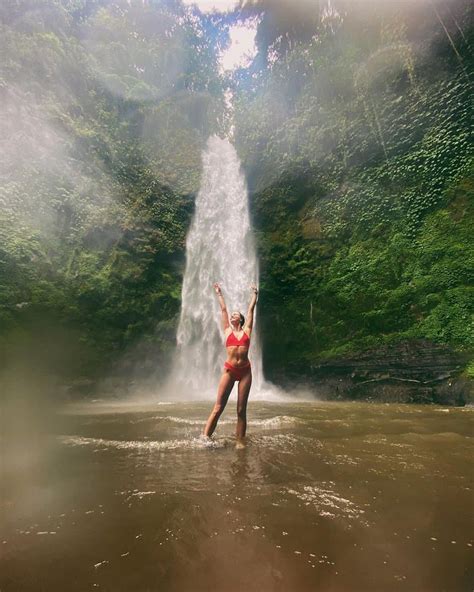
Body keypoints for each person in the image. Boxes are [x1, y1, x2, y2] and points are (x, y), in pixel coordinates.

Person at [203, 282, 258, 447]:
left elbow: (250, 311)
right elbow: (223, 310)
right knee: (218, 407)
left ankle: (240, 441)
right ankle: (205, 437)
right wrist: (219, 294)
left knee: (241, 410)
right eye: (232, 314)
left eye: (236, 314)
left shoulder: (247, 330)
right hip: (230, 370)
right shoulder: (227, 330)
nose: (233, 315)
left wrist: (255, 294)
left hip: (245, 372)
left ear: (240, 319)